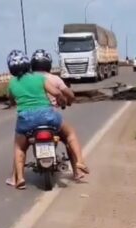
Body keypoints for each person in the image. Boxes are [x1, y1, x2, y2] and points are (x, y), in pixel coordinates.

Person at [6, 50, 66, 190]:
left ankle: (19, 178)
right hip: (47, 116)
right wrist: (62, 101)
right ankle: (77, 165)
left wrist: (15, 102)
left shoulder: (12, 83)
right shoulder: (39, 78)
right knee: (66, 131)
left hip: (26, 120)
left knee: (19, 146)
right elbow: (57, 93)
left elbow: (11, 100)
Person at [30, 49, 89, 180]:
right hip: (51, 119)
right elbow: (70, 95)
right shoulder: (55, 79)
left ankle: (17, 175)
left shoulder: (29, 80)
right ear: (48, 64)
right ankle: (77, 170)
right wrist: (69, 101)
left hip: (32, 120)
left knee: (20, 146)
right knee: (69, 136)